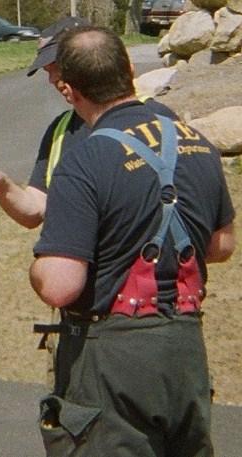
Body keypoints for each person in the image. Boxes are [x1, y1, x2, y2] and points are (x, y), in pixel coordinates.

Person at [29, 26, 236, 456]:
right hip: (184, 350)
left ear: (71, 90)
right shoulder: (199, 144)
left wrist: (37, 268)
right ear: (126, 71)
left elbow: (60, 284)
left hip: (114, 356)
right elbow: (220, 246)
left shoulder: (83, 159)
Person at [0, 16, 177, 228]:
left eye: (57, 66)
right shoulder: (61, 129)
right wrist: (2, 185)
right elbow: (36, 209)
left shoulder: (158, 119)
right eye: (48, 71)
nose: (52, 80)